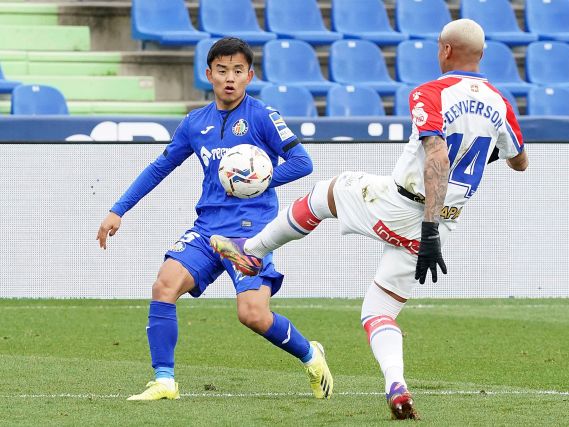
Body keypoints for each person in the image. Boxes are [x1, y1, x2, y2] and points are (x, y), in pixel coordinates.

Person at [210, 19, 528, 420]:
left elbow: (437, 157)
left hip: (406, 208)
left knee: (331, 191)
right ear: (481, 55)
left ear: (444, 51)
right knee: (379, 311)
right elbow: (520, 162)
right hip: (444, 220)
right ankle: (395, 384)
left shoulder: (430, 93)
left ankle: (252, 252)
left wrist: (427, 228)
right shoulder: (501, 104)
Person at [96, 37, 333, 401]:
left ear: (249, 75)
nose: (229, 78)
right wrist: (119, 208)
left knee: (253, 314)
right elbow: (161, 166)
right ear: (209, 74)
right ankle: (164, 381)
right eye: (222, 70)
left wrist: (259, 181)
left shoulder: (263, 116)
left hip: (251, 232)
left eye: (238, 71)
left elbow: (303, 163)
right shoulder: (195, 123)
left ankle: (310, 355)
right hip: (207, 230)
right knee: (164, 286)